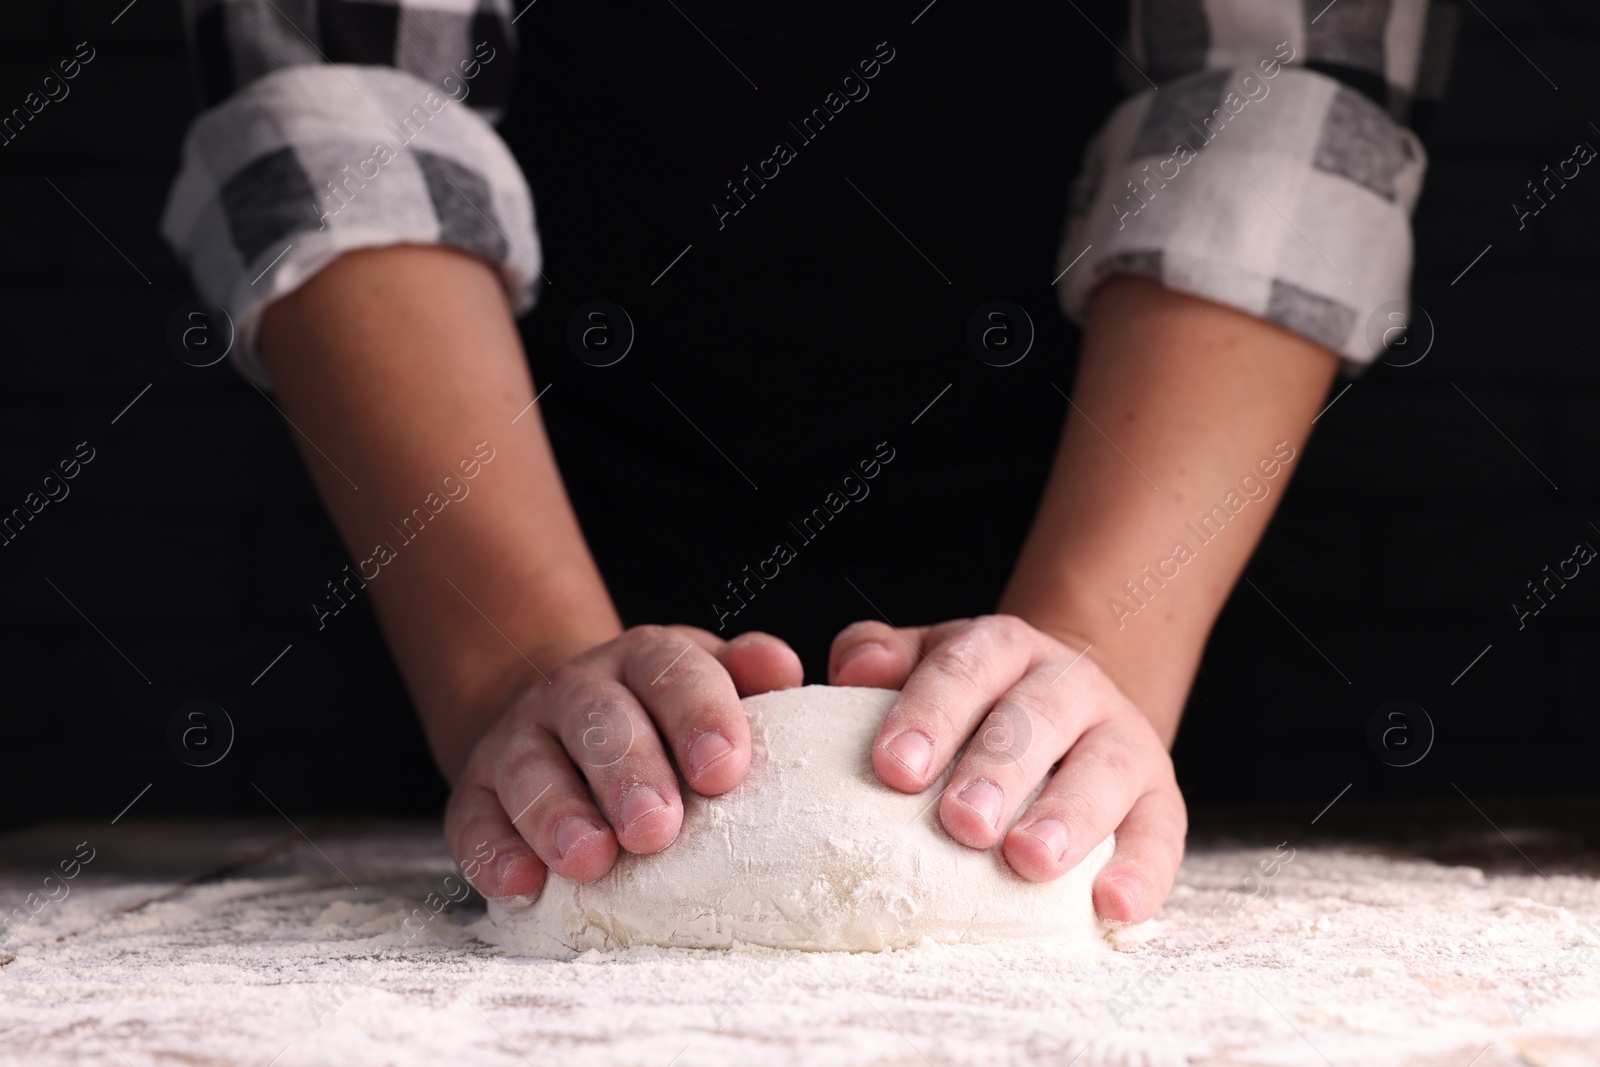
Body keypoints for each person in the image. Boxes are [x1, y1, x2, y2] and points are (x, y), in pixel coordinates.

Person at [162, 0, 1452, 923]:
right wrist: (514, 666)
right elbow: (347, 106)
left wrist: (1095, 660)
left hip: (1103, 518)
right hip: (531, 523)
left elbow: (1282, 101)